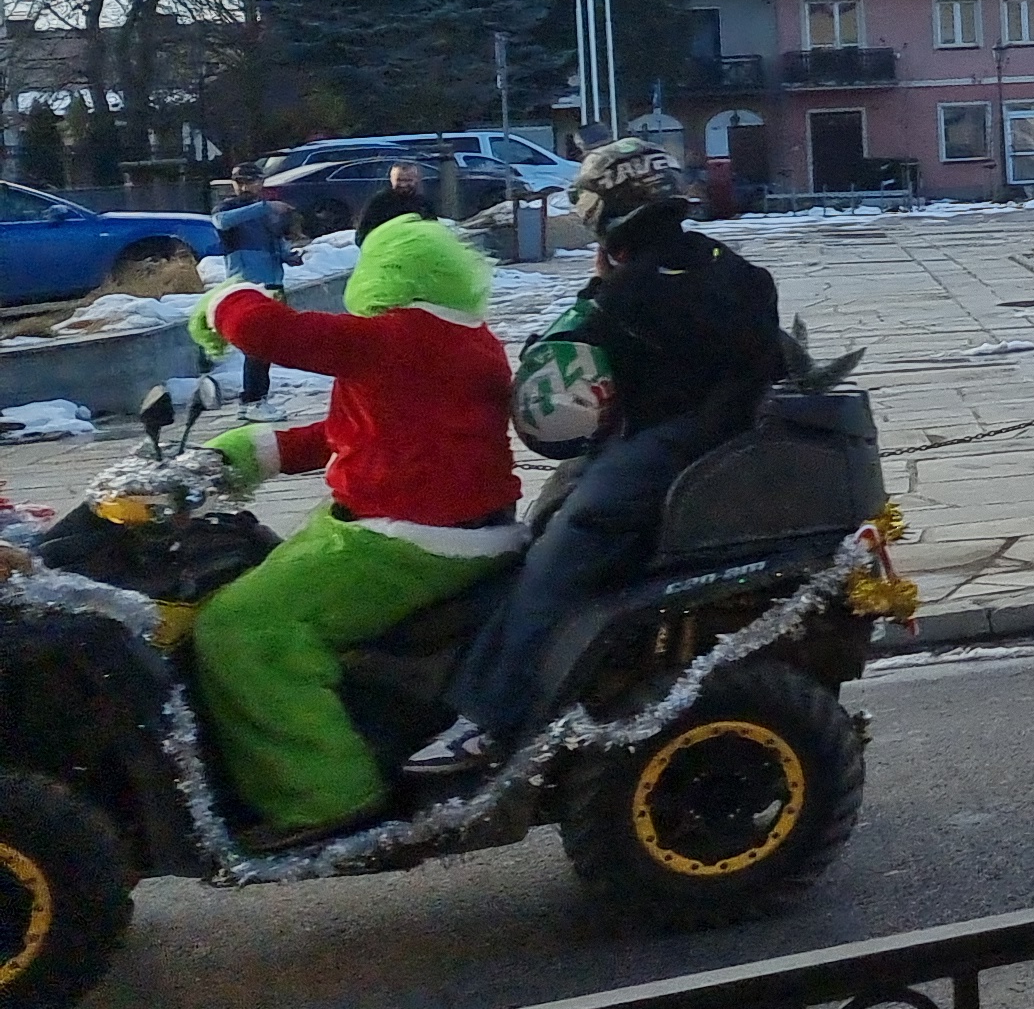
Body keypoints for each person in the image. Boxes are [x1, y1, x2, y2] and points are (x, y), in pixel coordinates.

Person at [408, 140, 788, 776]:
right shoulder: (732, 267)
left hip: (667, 448)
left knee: (554, 556)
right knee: (555, 514)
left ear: (605, 215)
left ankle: (489, 720)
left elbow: (547, 361)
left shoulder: (625, 295)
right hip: (726, 441)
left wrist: (598, 286)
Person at [184, 216, 521, 845]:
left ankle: (330, 798)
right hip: (440, 528)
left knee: (244, 628)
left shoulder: (401, 336)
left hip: (406, 541)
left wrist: (221, 296)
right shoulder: (463, 339)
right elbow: (366, 430)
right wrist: (250, 454)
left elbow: (268, 331)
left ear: (383, 276)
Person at [206, 167, 293, 413]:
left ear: (261, 182)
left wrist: (287, 255)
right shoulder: (228, 208)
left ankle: (259, 399)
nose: (244, 187)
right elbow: (221, 222)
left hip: (272, 283)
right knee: (255, 345)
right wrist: (265, 208)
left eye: (250, 182)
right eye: (239, 182)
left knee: (267, 345)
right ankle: (252, 400)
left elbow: (275, 238)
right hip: (247, 285)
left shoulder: (265, 210)